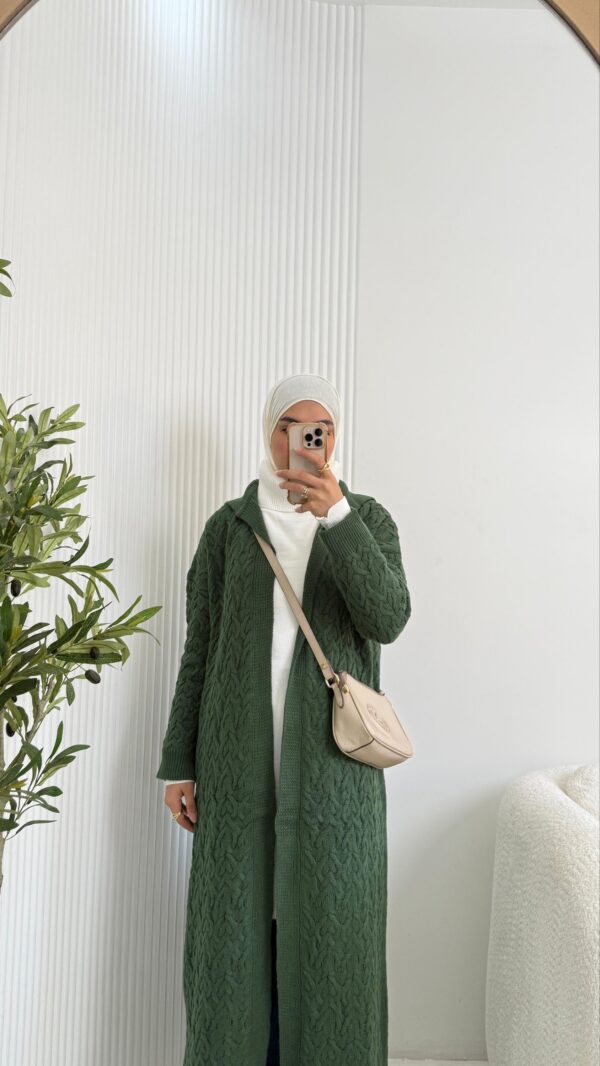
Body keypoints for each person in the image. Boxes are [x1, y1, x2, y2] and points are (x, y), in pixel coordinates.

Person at [157, 372, 412, 1066]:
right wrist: (179, 762)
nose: (302, 441)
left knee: (331, 941)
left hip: (334, 779)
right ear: (269, 433)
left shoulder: (369, 521)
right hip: (236, 772)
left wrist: (337, 519)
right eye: (288, 426)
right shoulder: (228, 529)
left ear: (333, 438)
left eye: (316, 429)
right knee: (235, 944)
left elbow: (388, 619)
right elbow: (200, 649)